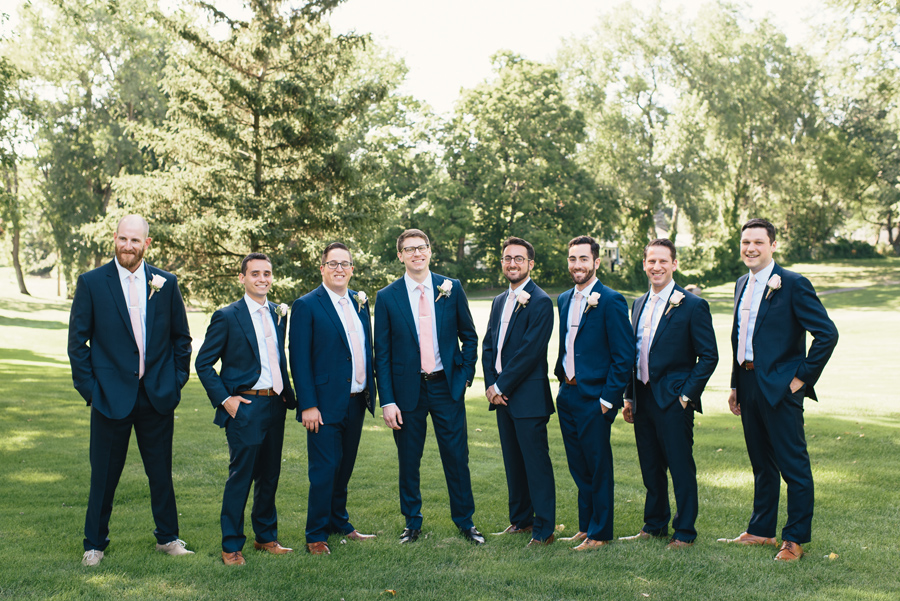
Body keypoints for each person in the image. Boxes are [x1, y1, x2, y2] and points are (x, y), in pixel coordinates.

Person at [67, 215, 193, 567]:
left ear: (146, 244)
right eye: (123, 239)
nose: (127, 246)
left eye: (135, 241)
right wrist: (91, 391)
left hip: (156, 395)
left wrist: (175, 380)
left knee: (160, 472)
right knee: (103, 475)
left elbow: (181, 340)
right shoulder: (92, 282)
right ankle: (94, 545)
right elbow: (78, 343)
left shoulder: (165, 283)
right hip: (109, 397)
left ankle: (167, 539)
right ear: (114, 238)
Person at [718, 218, 838, 561]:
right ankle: (760, 531)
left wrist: (801, 379)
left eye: (758, 242)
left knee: (793, 465)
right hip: (748, 382)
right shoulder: (742, 282)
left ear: (772, 245)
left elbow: (827, 334)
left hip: (781, 387)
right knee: (761, 463)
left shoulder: (794, 284)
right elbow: (740, 337)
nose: (750, 248)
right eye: (745, 242)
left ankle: (794, 539)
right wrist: (734, 383)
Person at [374, 228, 483, 545]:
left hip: (446, 387)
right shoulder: (387, 296)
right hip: (407, 392)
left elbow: (470, 337)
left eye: (421, 248)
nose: (416, 254)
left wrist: (463, 377)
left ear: (430, 251)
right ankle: (412, 522)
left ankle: (465, 522)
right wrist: (388, 401)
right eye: (409, 249)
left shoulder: (451, 288)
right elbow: (382, 353)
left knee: (456, 456)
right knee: (409, 460)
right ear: (400, 255)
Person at [195, 253, 297, 565]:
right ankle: (231, 546)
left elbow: (276, 358)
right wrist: (227, 400)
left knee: (270, 475)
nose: (262, 279)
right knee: (241, 476)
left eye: (267, 273)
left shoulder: (279, 314)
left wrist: (285, 395)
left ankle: (265, 537)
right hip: (246, 405)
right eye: (255, 273)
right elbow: (203, 363)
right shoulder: (227, 316)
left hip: (275, 403)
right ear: (243, 278)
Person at [620, 239, 718, 549]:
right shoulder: (638, 303)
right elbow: (632, 354)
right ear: (645, 264)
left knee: (680, 466)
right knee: (650, 466)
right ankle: (655, 524)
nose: (656, 267)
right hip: (643, 397)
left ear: (674, 264)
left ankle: (685, 531)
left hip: (674, 400)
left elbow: (709, 356)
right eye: (651, 261)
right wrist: (628, 396)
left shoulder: (692, 305)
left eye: (663, 261)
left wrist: (686, 395)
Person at [290, 242, 377, 555]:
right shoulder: (307, 305)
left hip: (355, 399)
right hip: (323, 404)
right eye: (333, 263)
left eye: (345, 264)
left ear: (352, 269)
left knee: (344, 467)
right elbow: (299, 360)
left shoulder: (359, 302)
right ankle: (315, 534)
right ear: (322, 268)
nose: (339, 269)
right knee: (324, 470)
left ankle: (339, 521)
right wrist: (308, 405)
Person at [553, 235, 633, 550]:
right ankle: (586, 526)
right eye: (573, 259)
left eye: (583, 259)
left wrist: (607, 399)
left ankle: (600, 533)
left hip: (595, 398)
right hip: (568, 394)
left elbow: (624, 355)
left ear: (596, 262)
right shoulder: (563, 299)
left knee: (598, 466)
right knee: (578, 465)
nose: (577, 265)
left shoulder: (610, 299)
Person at [482, 237, 556, 547]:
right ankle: (521, 521)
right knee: (514, 462)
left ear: (530, 264)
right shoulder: (500, 300)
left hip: (528, 398)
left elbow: (530, 352)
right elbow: (489, 345)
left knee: (535, 465)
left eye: (519, 259)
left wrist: (500, 386)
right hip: (501, 398)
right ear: (502, 262)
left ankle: (544, 529)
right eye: (508, 258)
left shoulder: (539, 301)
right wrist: (491, 385)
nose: (513, 263)